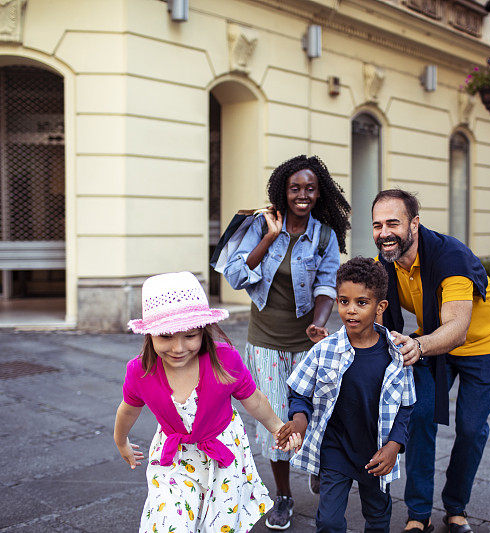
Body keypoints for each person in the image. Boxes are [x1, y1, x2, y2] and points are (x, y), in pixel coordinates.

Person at [113, 272, 301, 533]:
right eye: (166, 337)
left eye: (190, 335)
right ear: (150, 335)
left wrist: (278, 427)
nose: (178, 348)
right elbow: (128, 409)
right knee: (170, 522)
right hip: (174, 458)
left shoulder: (224, 361)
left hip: (223, 454)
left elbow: (254, 399)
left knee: (217, 525)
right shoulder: (140, 371)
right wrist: (121, 440)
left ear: (203, 331)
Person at [223, 155, 350, 529]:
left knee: (316, 415)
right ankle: (283, 495)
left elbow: (327, 284)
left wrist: (319, 323)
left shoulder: (324, 236)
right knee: (277, 421)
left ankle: (316, 464)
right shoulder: (260, 226)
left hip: (308, 342)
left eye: (310, 189)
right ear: (283, 190)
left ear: (318, 193)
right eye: (295, 188)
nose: (302, 195)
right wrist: (269, 237)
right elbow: (235, 276)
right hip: (265, 342)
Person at [371, 189, 490, 533]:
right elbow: (373, 318)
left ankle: (456, 508)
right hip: (430, 338)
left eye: (393, 223)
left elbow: (457, 329)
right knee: (418, 418)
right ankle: (418, 515)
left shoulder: (451, 258)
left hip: (482, 341)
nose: (384, 232)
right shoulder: (384, 265)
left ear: (414, 224)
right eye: (377, 225)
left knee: (471, 428)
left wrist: (418, 346)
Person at [276, 257, 416, 533]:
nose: (351, 310)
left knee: (377, 518)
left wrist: (394, 446)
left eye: (361, 303)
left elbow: (406, 406)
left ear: (380, 307)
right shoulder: (324, 350)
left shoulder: (396, 356)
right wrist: (299, 421)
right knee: (328, 521)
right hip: (335, 450)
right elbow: (299, 391)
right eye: (343, 301)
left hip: (375, 453)